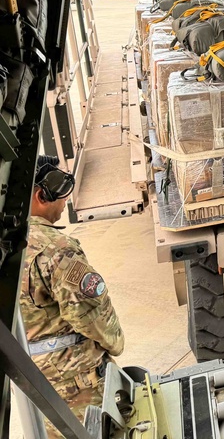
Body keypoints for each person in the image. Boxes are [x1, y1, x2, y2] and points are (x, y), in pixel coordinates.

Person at [19, 156, 125, 434]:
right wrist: (116, 344)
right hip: (79, 386)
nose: (65, 202)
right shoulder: (55, 249)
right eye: (61, 196)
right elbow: (92, 315)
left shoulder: (10, 243)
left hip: (35, 386)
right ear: (42, 195)